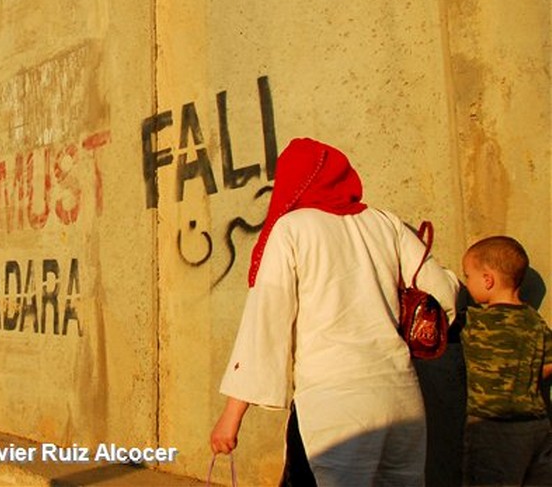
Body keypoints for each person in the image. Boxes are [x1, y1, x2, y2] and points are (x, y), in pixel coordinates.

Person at [209, 137, 459, 486]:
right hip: (401, 396)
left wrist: (231, 418)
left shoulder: (292, 228)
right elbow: (444, 293)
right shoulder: (384, 222)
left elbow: (266, 324)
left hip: (334, 403)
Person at [460, 236, 552, 486]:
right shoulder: (535, 320)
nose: (466, 283)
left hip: (493, 428)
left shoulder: (476, 322)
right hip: (537, 426)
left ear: (487, 280)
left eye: (468, 276)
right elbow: (548, 365)